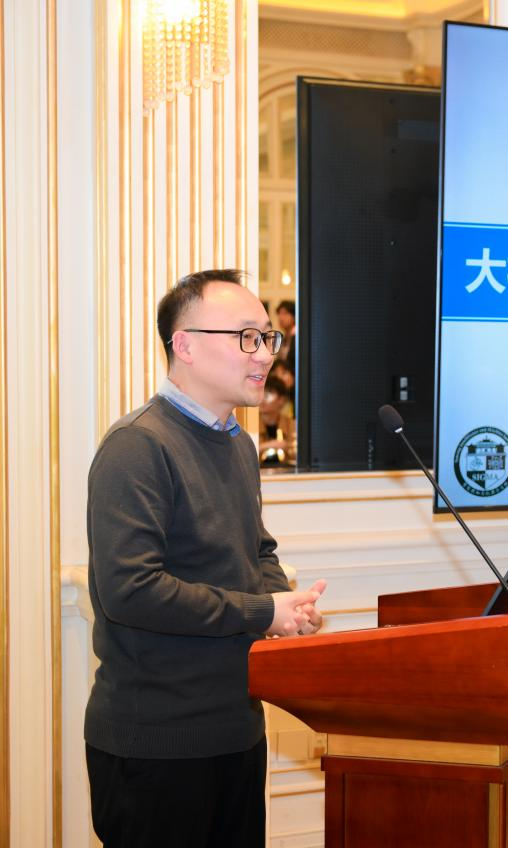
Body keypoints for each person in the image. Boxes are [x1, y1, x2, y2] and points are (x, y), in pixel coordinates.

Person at [84, 269, 326, 847]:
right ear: (185, 345)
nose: (264, 354)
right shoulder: (137, 446)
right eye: (246, 337)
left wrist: (284, 606)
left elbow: (255, 547)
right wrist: (261, 612)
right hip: (157, 745)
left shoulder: (237, 443)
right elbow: (131, 592)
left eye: (268, 337)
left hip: (236, 730)